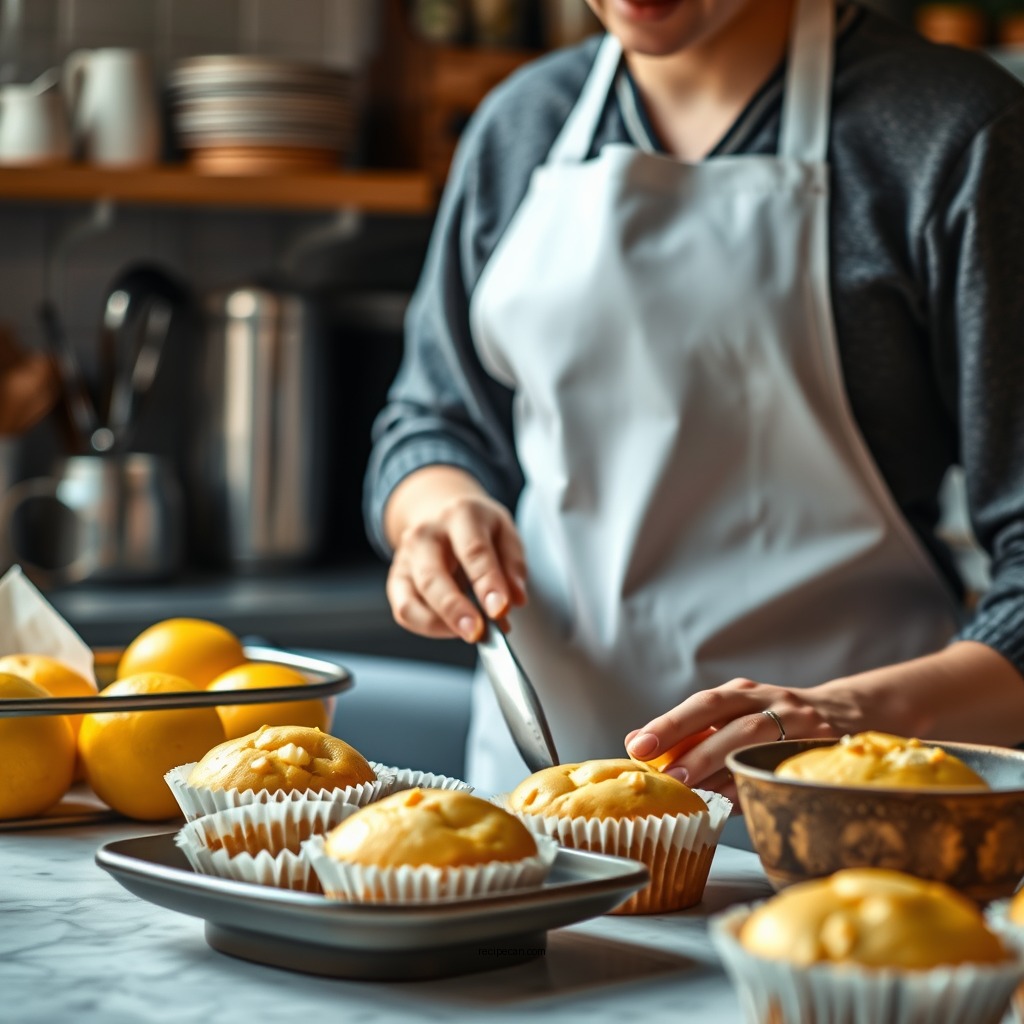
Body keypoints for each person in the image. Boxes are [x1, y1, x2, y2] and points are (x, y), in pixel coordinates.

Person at [363, 0, 1024, 798]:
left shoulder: (954, 132)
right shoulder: (522, 123)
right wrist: (435, 509)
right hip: (544, 805)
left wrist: (845, 720)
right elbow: (438, 417)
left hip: (846, 800)